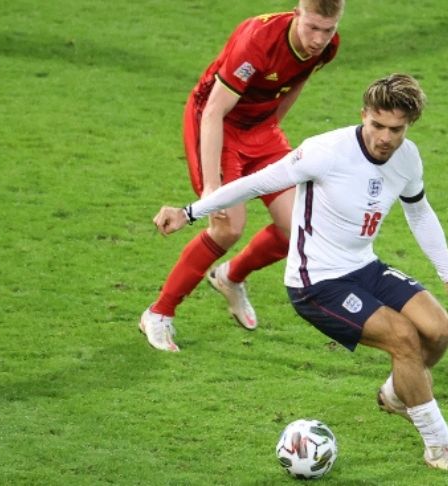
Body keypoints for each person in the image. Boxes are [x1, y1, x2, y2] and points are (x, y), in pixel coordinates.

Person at [151, 74, 448, 474]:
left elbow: (418, 211)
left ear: (408, 125)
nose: (384, 137)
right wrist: (190, 212)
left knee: (438, 330)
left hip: (364, 265)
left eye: (395, 130)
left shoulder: (408, 157)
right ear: (363, 114)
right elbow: (256, 182)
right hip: (317, 282)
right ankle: (439, 446)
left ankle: (397, 393)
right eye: (376, 125)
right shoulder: (326, 151)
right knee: (403, 339)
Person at [140, 0, 345, 351]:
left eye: (327, 30)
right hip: (218, 125)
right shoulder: (258, 41)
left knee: (298, 227)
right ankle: (158, 313)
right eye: (312, 27)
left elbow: (296, 83)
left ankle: (230, 276)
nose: (318, 39)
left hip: (260, 129)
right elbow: (214, 112)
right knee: (227, 225)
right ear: (296, 13)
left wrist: (271, 131)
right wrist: (212, 187)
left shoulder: (327, 46)